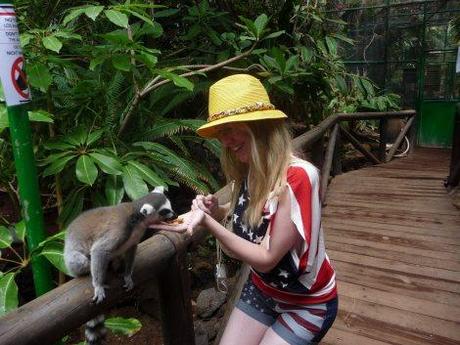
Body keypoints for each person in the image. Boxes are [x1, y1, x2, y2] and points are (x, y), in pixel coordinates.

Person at [152, 74, 338, 345]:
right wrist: (217, 209)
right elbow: (251, 213)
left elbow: (267, 257)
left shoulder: (299, 176)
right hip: (262, 290)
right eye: (221, 133)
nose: (225, 141)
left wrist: (207, 222)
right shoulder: (251, 169)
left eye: (232, 129)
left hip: (307, 301)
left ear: (259, 126)